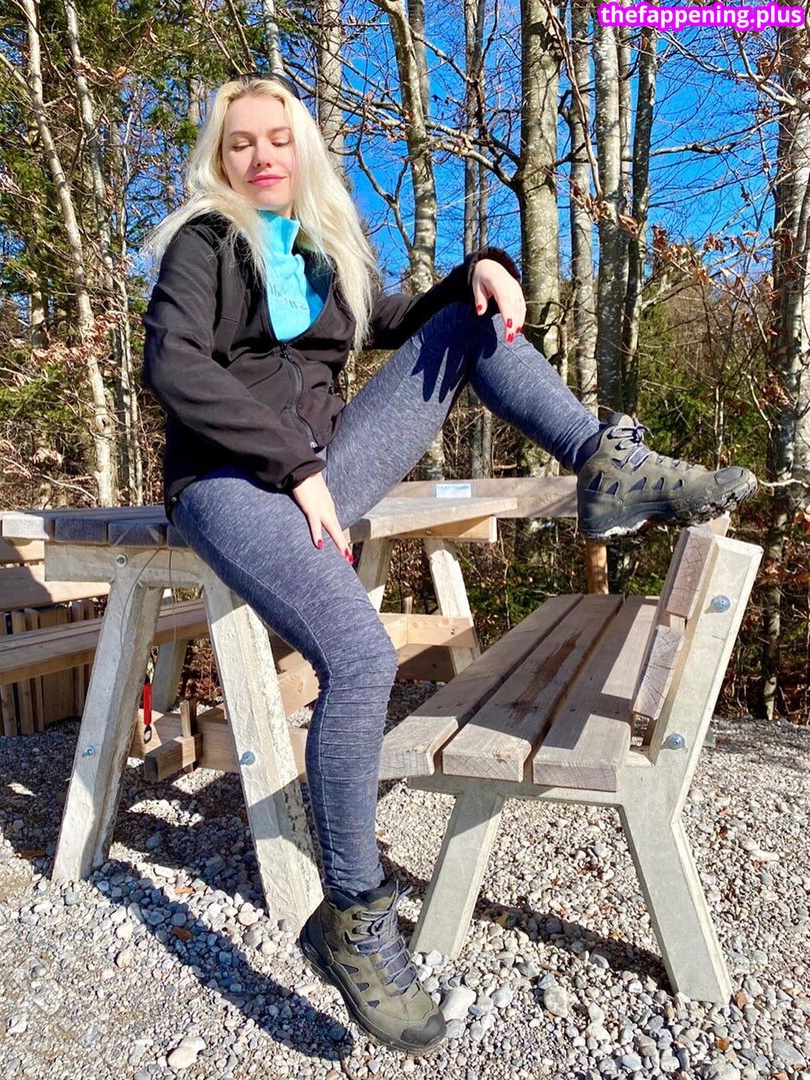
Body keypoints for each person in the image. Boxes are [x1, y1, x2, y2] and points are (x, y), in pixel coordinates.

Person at [142, 72, 756, 1056]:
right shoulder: (205, 244)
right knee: (362, 657)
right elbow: (174, 367)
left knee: (472, 318)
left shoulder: (321, 251)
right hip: (228, 480)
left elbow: (402, 317)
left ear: (303, 151)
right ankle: (353, 919)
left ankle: (604, 463)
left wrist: (487, 264)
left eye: (278, 139)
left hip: (319, 473)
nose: (260, 156)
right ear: (219, 158)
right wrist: (294, 466)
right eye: (240, 142)